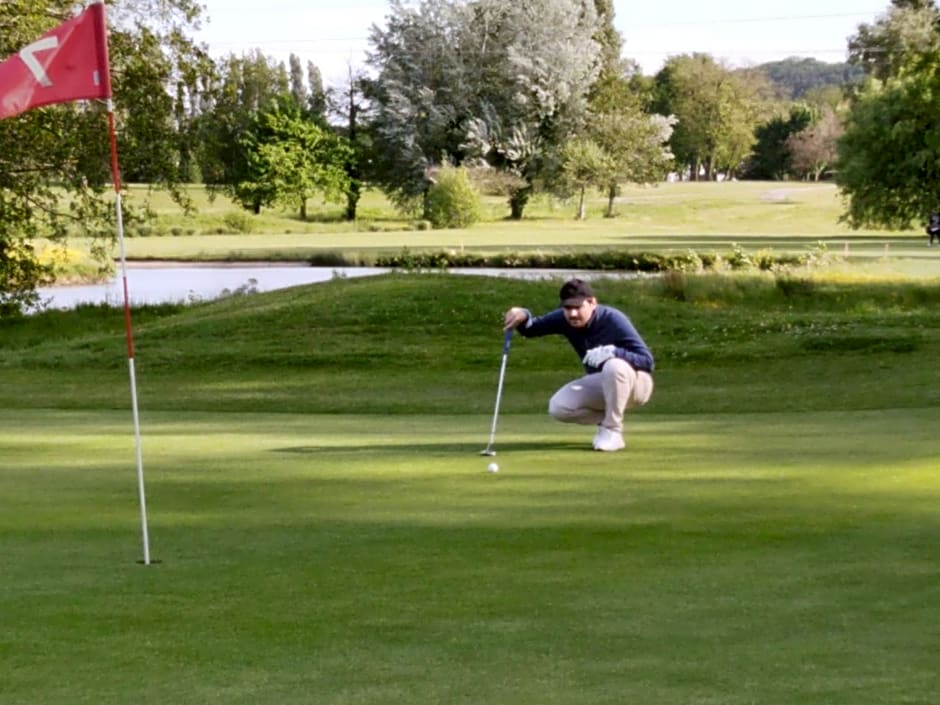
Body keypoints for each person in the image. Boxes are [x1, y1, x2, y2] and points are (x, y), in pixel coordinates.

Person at [503, 278, 654, 452]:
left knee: (614, 366)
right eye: (567, 308)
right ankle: (608, 422)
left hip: (637, 384)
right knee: (559, 407)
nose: (572, 314)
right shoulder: (564, 319)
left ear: (592, 303)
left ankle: (613, 430)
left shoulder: (613, 319)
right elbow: (531, 328)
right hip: (603, 383)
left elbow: (647, 361)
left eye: (577, 307)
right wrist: (522, 313)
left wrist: (615, 352)